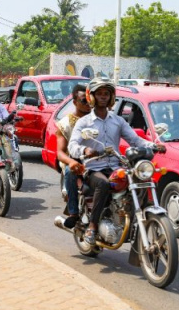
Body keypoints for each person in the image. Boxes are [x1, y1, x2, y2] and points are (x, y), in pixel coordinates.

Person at [68, 78, 165, 245]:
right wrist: (85, 150)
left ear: (112, 97)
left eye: (106, 94)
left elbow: (136, 140)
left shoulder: (118, 121)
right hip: (93, 168)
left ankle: (133, 218)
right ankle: (92, 226)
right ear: (91, 97)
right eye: (99, 94)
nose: (103, 97)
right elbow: (72, 145)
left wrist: (154, 145)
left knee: (140, 179)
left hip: (116, 165)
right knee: (103, 184)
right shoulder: (83, 122)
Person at [56, 84, 92, 228]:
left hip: (96, 160)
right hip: (75, 161)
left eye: (90, 99)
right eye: (84, 100)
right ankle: (73, 212)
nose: (88, 103)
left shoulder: (97, 119)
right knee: (71, 171)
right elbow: (60, 152)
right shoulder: (65, 124)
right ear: (75, 102)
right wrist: (71, 162)